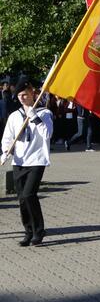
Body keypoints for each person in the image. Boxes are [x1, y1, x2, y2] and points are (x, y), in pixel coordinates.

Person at [1, 81, 53, 246]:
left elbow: (47, 134)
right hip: (20, 160)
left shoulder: (44, 113)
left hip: (37, 160)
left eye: (25, 94)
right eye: (19, 96)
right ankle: (28, 231)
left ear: (32, 93)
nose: (22, 98)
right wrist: (5, 153)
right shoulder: (14, 116)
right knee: (22, 198)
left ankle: (39, 230)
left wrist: (34, 117)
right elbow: (8, 138)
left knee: (29, 194)